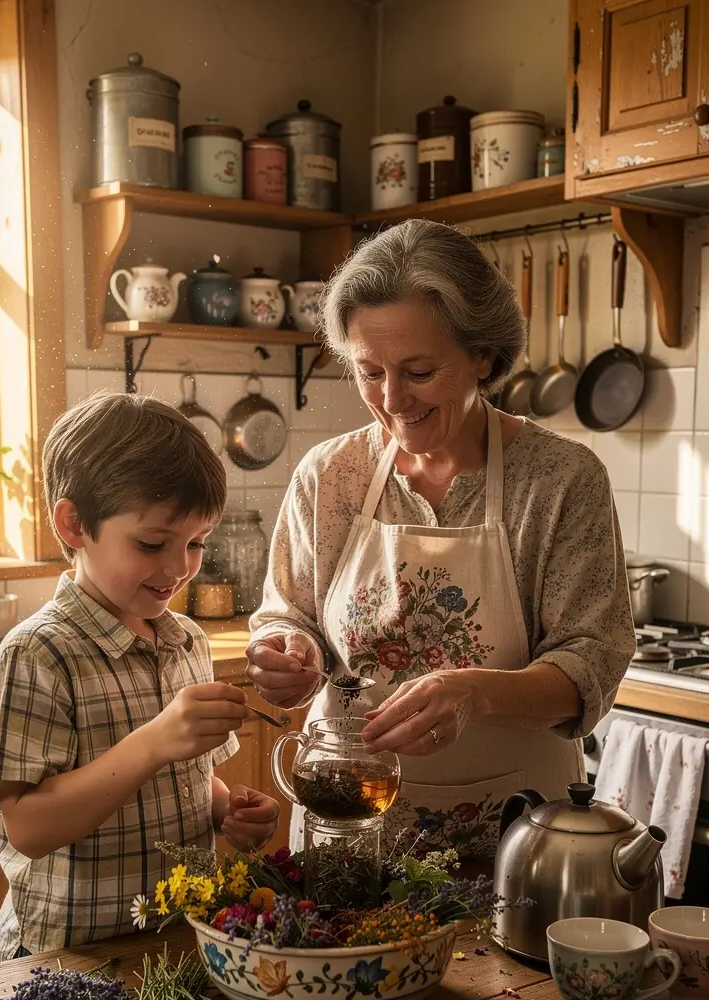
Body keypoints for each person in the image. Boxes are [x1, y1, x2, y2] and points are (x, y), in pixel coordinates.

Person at [247, 219, 635, 858]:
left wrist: (474, 692)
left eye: (419, 371)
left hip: (515, 843)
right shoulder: (330, 477)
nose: (392, 399)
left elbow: (590, 663)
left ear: (482, 355)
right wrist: (284, 652)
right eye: (369, 372)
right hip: (348, 831)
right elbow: (289, 615)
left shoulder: (561, 480)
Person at [0, 393, 279, 961]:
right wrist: (154, 741)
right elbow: (28, 829)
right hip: (67, 961)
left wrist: (225, 809)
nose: (178, 568)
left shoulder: (186, 640)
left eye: (195, 543)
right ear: (74, 525)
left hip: (176, 944)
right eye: (150, 544)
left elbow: (187, 783)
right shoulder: (39, 657)